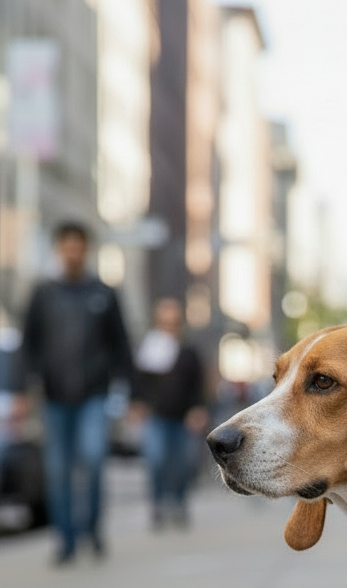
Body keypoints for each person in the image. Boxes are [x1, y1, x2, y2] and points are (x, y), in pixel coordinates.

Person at [17, 221, 134, 563]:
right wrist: (25, 389)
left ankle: (92, 531)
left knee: (94, 459)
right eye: (66, 246)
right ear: (59, 249)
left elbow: (120, 344)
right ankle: (65, 540)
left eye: (78, 246)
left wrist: (129, 391)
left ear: (86, 250)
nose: (72, 252)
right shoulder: (44, 293)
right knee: (58, 470)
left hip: (93, 395)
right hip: (54, 397)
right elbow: (29, 344)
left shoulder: (102, 292)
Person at [131, 298, 208, 529]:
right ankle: (158, 505)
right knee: (156, 460)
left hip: (182, 418)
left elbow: (198, 385)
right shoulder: (148, 351)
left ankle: (179, 503)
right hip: (156, 416)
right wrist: (137, 403)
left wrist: (198, 409)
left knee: (183, 464)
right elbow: (138, 381)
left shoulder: (188, 352)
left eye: (173, 323)